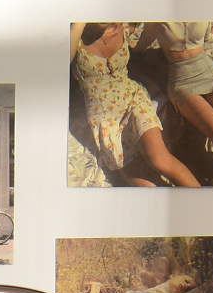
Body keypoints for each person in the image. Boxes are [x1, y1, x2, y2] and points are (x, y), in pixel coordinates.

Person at [71, 22, 200, 188]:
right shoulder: (77, 34)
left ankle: (205, 204)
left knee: (160, 160)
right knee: (145, 187)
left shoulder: (123, 26)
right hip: (105, 120)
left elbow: (150, 30)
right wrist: (78, 25)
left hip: (132, 98)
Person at [141, 20, 213, 185]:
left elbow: (207, 34)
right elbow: (141, 44)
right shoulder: (159, 12)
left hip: (208, 68)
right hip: (182, 79)